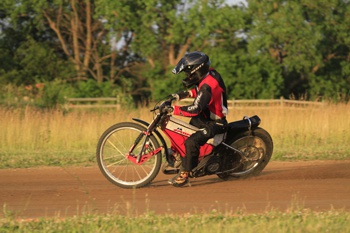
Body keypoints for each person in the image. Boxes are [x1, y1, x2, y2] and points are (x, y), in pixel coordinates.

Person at [167, 51, 228, 187]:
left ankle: (186, 174)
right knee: (184, 130)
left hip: (216, 123)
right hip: (205, 116)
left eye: (189, 73)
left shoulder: (208, 86)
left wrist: (173, 109)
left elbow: (195, 108)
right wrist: (183, 95)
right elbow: (199, 91)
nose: (188, 76)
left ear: (197, 71)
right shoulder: (210, 74)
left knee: (191, 142)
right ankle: (186, 157)